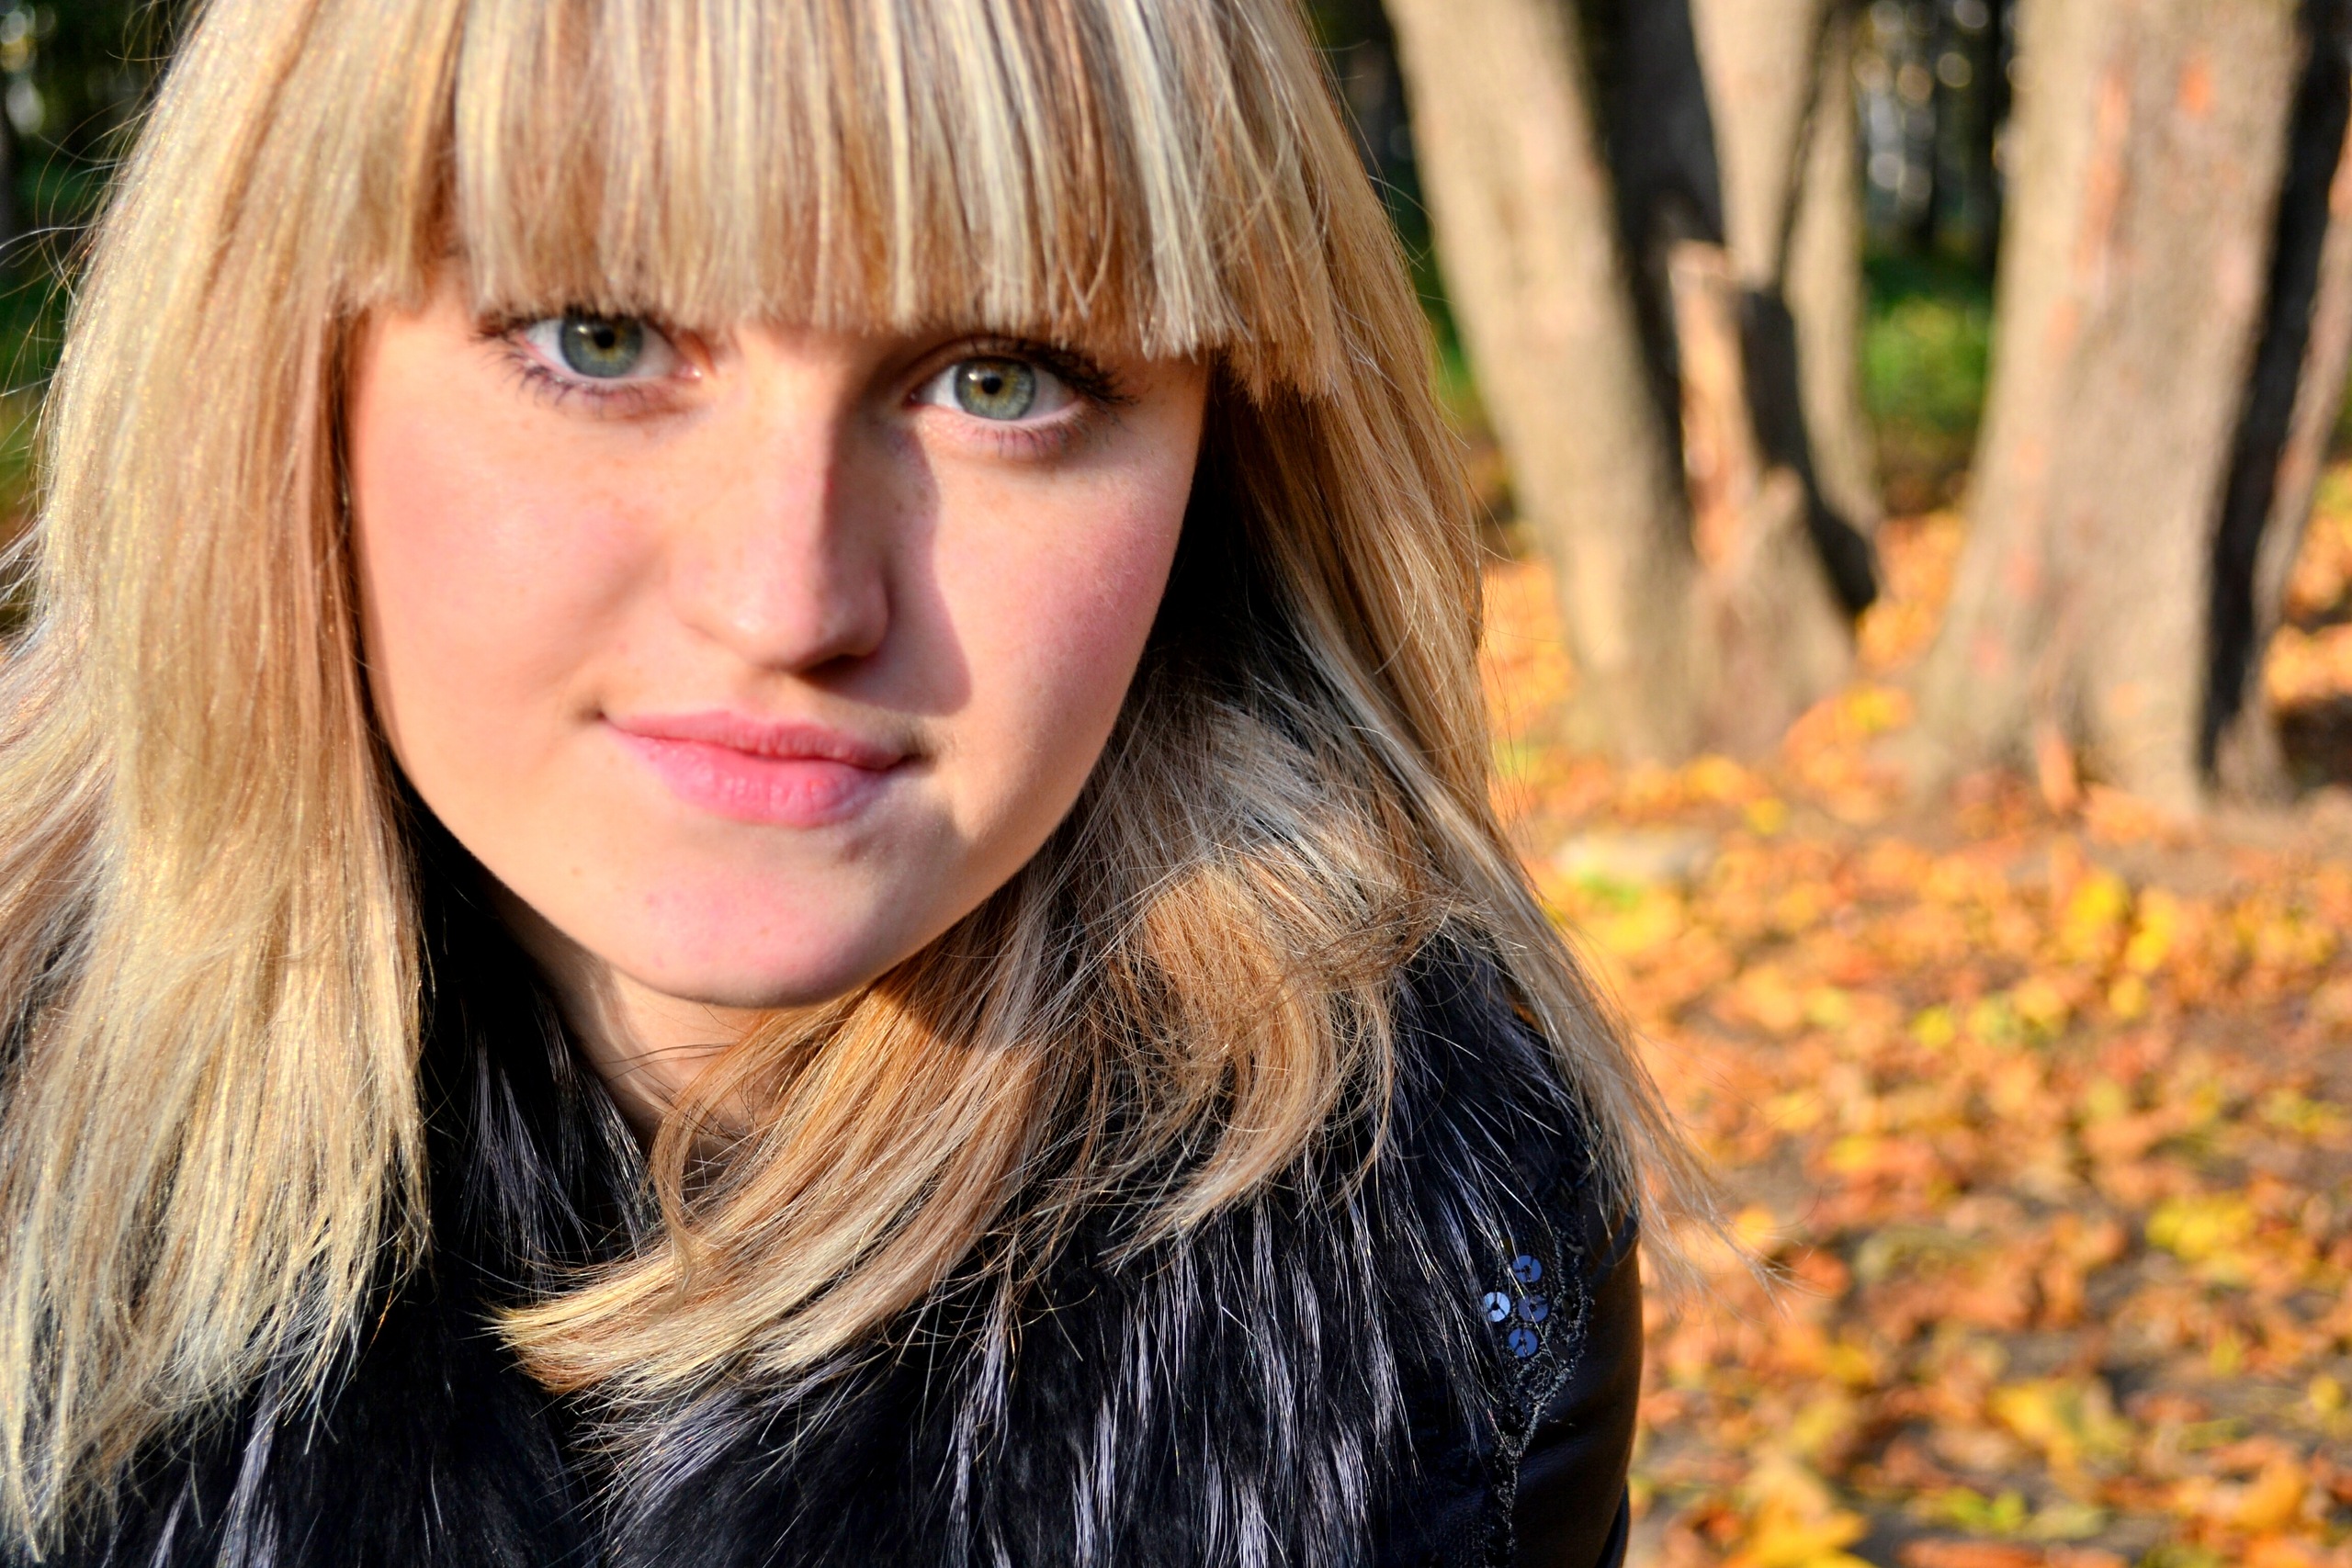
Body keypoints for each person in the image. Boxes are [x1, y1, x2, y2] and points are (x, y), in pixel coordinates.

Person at [0, 0, 1713, 1562]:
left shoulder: (1425, 1280)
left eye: (1000, 380)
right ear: (284, 382)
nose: (792, 602)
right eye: (601, 340)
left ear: (1223, 462)